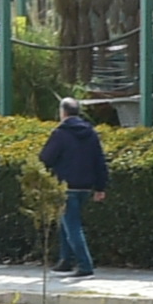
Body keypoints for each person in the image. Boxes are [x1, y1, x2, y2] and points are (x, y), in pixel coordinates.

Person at [39, 97, 109, 279]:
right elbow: (99, 161)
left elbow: (46, 158)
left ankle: (85, 265)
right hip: (85, 186)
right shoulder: (91, 133)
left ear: (63, 112)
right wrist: (100, 187)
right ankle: (66, 261)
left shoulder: (60, 134)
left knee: (72, 225)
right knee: (67, 224)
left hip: (66, 185)